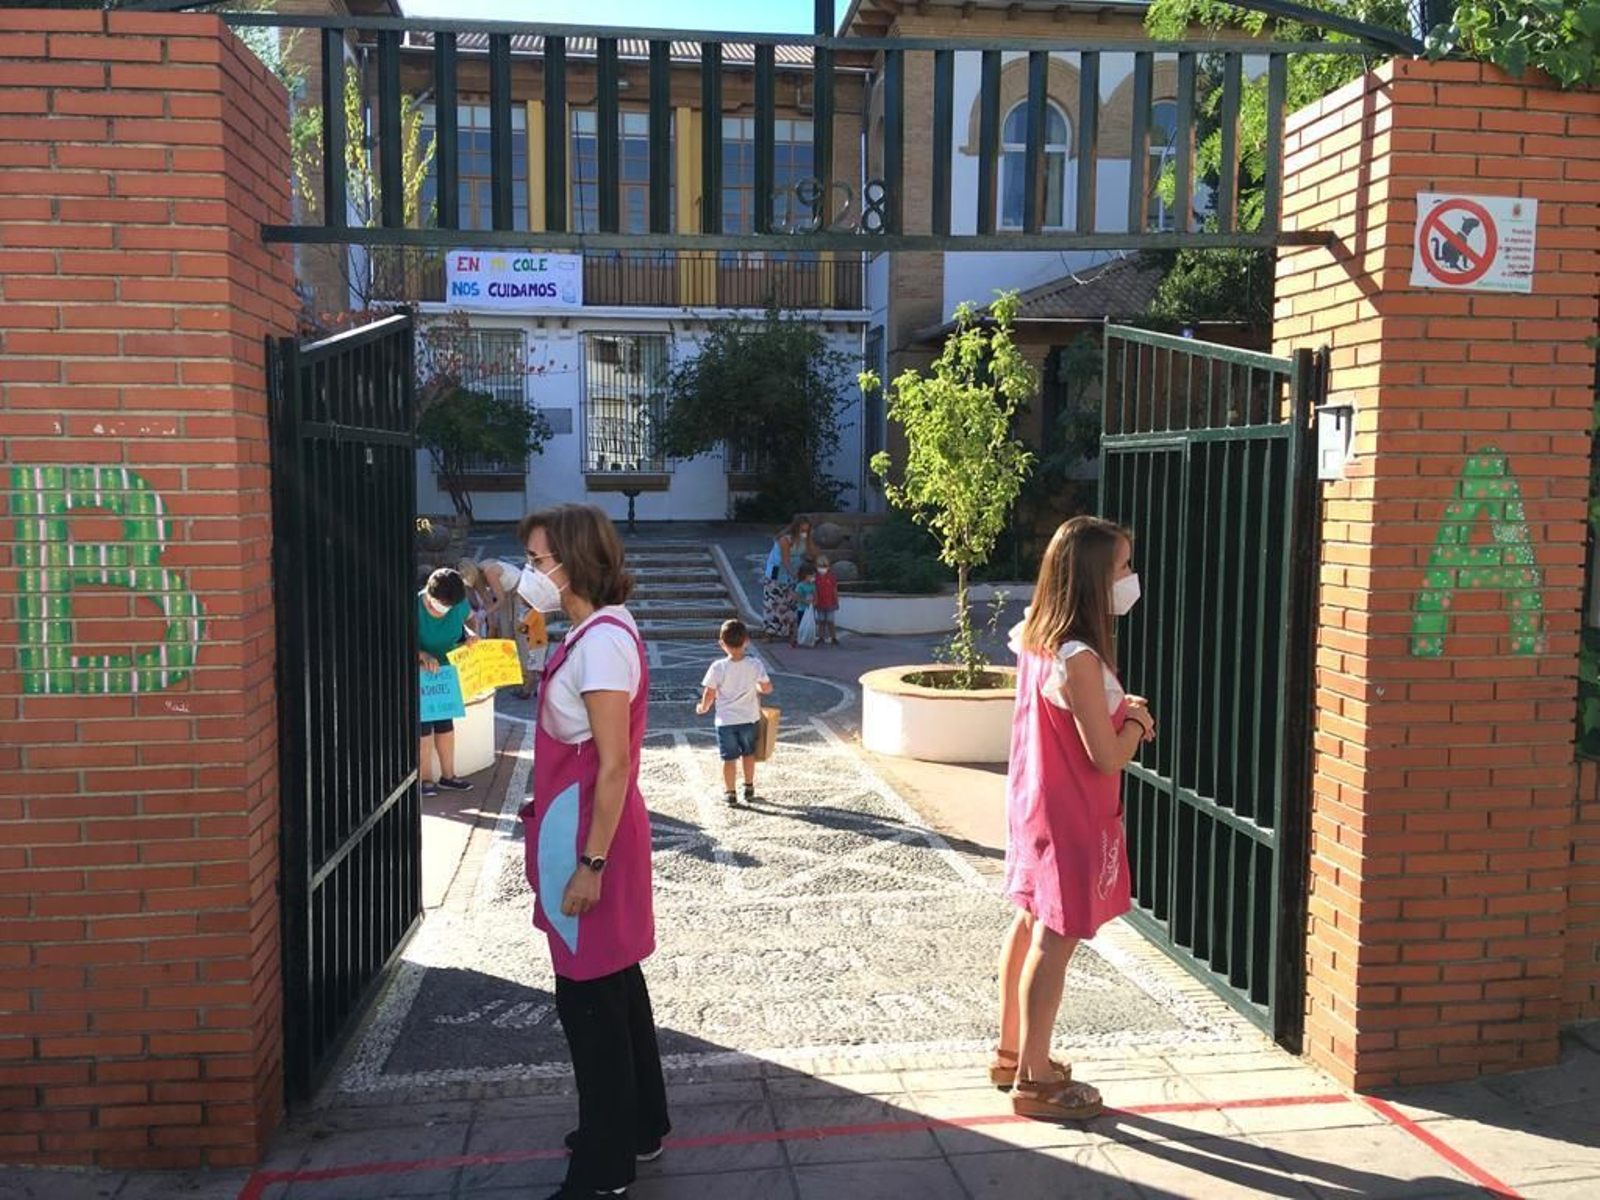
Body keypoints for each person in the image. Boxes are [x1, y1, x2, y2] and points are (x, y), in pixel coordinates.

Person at [515, 503, 669, 1200]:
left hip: (589, 834)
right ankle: (639, 1125)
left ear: (574, 563)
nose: (531, 571)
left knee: (588, 1001)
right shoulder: (590, 632)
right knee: (614, 983)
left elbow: (613, 764)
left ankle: (605, 1167)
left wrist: (592, 864)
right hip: (578, 826)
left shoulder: (603, 642)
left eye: (539, 559)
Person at [993, 516, 1155, 1122]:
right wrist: (1136, 722)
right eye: (1122, 568)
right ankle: (1035, 1079)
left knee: (1029, 924)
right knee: (1054, 943)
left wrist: (1117, 712)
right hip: (1072, 816)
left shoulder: (1035, 638)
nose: (1131, 579)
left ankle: (1013, 1052)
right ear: (1092, 579)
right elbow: (1106, 754)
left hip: (1037, 805)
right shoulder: (1080, 656)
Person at [696, 619, 774, 807]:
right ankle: (749, 787)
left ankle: (730, 793)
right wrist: (756, 687)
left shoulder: (718, 666)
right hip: (749, 718)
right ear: (747, 641)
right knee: (749, 754)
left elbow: (710, 692)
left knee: (728, 758)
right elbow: (766, 688)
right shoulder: (755, 665)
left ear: (722, 643)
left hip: (725, 721)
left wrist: (703, 707)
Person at [418, 567, 478, 798]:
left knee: (445, 725)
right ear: (429, 594)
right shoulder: (414, 607)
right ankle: (425, 779)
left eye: (449, 606)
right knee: (423, 729)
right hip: (420, 675)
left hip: (446, 672)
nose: (445, 609)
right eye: (442, 604)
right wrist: (422, 655)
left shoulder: (458, 604)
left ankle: (449, 776)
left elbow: (469, 621)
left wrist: (470, 635)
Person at [759, 514, 812, 641]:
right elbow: (786, 561)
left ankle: (789, 632)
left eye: (807, 530)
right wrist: (796, 576)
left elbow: (810, 554)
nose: (805, 533)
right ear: (796, 529)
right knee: (773, 603)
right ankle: (769, 633)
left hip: (792, 572)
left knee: (790, 603)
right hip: (777, 572)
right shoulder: (785, 540)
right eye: (802, 530)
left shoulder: (805, 540)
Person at [813, 555, 840, 647]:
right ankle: (821, 637)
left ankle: (834, 638)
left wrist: (836, 601)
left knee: (830, 621)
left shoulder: (832, 577)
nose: (822, 569)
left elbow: (834, 590)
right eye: (820, 566)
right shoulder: (815, 578)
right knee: (821, 621)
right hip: (819, 603)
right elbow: (814, 590)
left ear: (828, 567)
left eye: (824, 566)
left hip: (830, 603)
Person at [792, 563, 818, 648]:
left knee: (810, 625)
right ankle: (796, 639)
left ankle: (809, 639)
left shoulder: (812, 586)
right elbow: (797, 597)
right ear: (806, 575)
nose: (813, 578)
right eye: (812, 576)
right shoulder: (800, 586)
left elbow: (815, 595)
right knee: (801, 625)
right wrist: (805, 602)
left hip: (810, 609)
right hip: (802, 609)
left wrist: (814, 602)